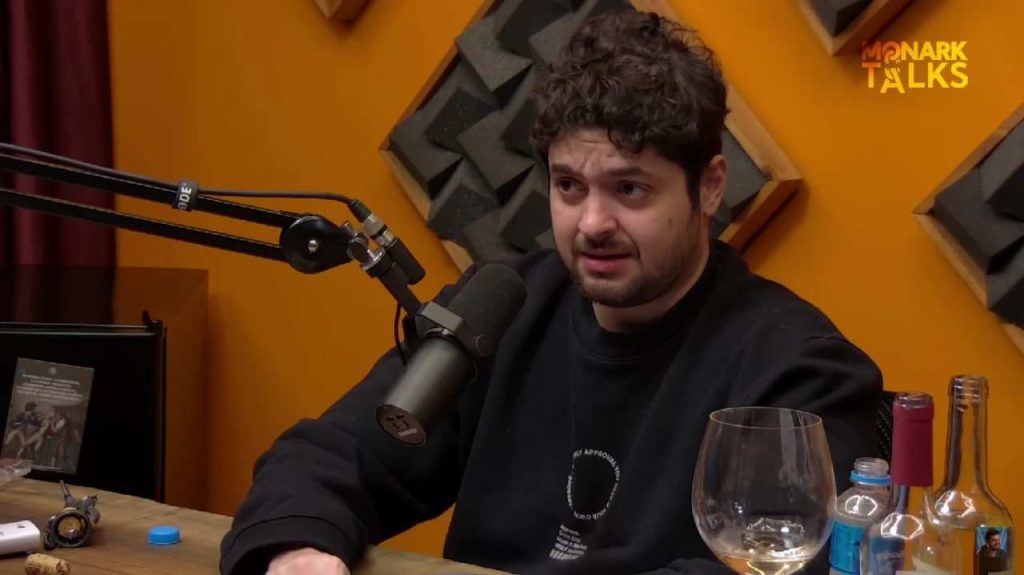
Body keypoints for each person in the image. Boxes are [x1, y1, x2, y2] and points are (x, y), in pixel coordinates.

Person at [220, 9, 882, 575]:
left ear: (709, 186)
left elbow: (797, 563)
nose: (591, 223)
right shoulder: (501, 309)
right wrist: (300, 548)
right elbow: (330, 455)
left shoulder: (798, 368)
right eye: (569, 186)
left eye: (629, 189)